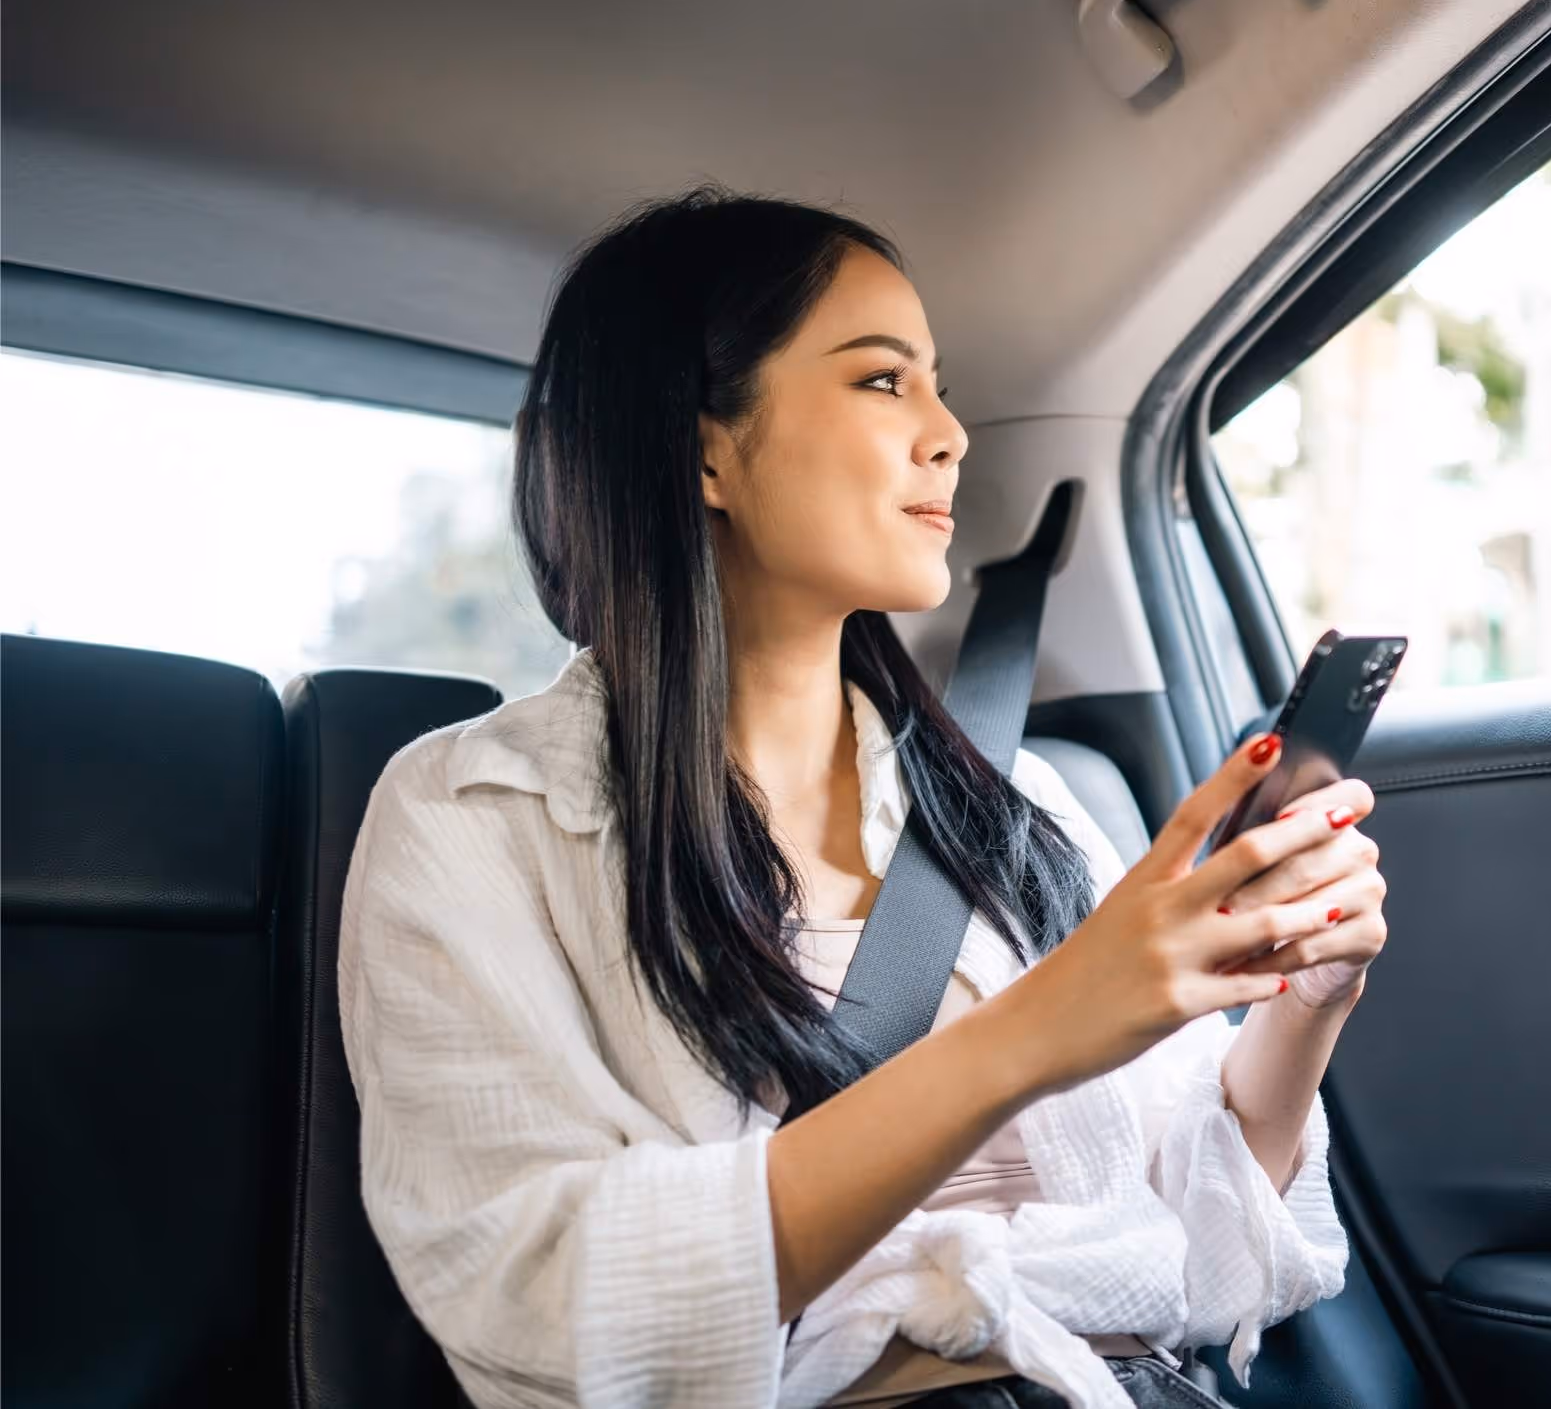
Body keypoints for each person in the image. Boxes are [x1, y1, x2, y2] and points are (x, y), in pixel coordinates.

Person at [338, 187, 1390, 1409]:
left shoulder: (1013, 804)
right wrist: (1034, 1031)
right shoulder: (472, 815)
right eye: (885, 381)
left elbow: (1205, 1262)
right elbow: (548, 1296)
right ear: (705, 446)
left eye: (937, 384)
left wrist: (1308, 1000)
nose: (950, 433)